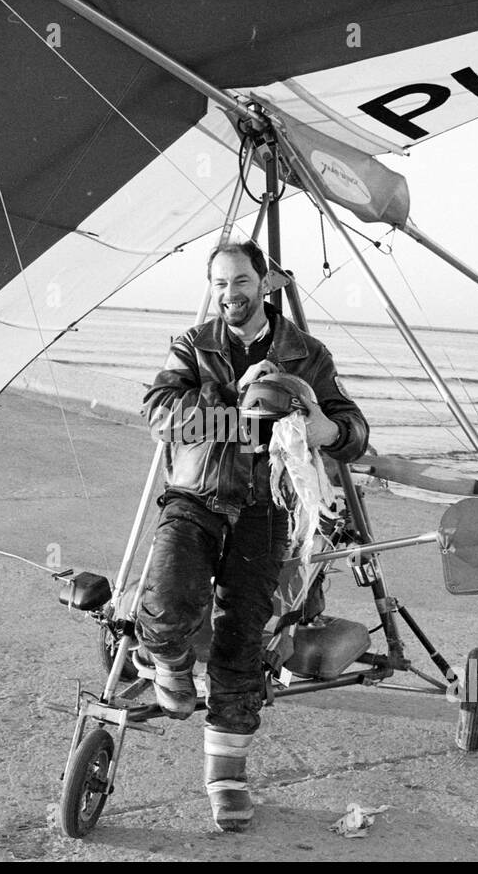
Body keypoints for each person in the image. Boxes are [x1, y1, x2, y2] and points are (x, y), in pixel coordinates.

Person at [138, 239, 369, 831]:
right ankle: (166, 660)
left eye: (240, 281)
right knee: (166, 599)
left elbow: (355, 432)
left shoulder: (306, 352)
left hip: (267, 512)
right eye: (218, 284)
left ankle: (227, 778)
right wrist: (232, 405)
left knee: (245, 642)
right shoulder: (195, 344)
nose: (229, 294)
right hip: (196, 496)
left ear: (264, 284)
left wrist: (324, 427)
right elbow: (159, 410)